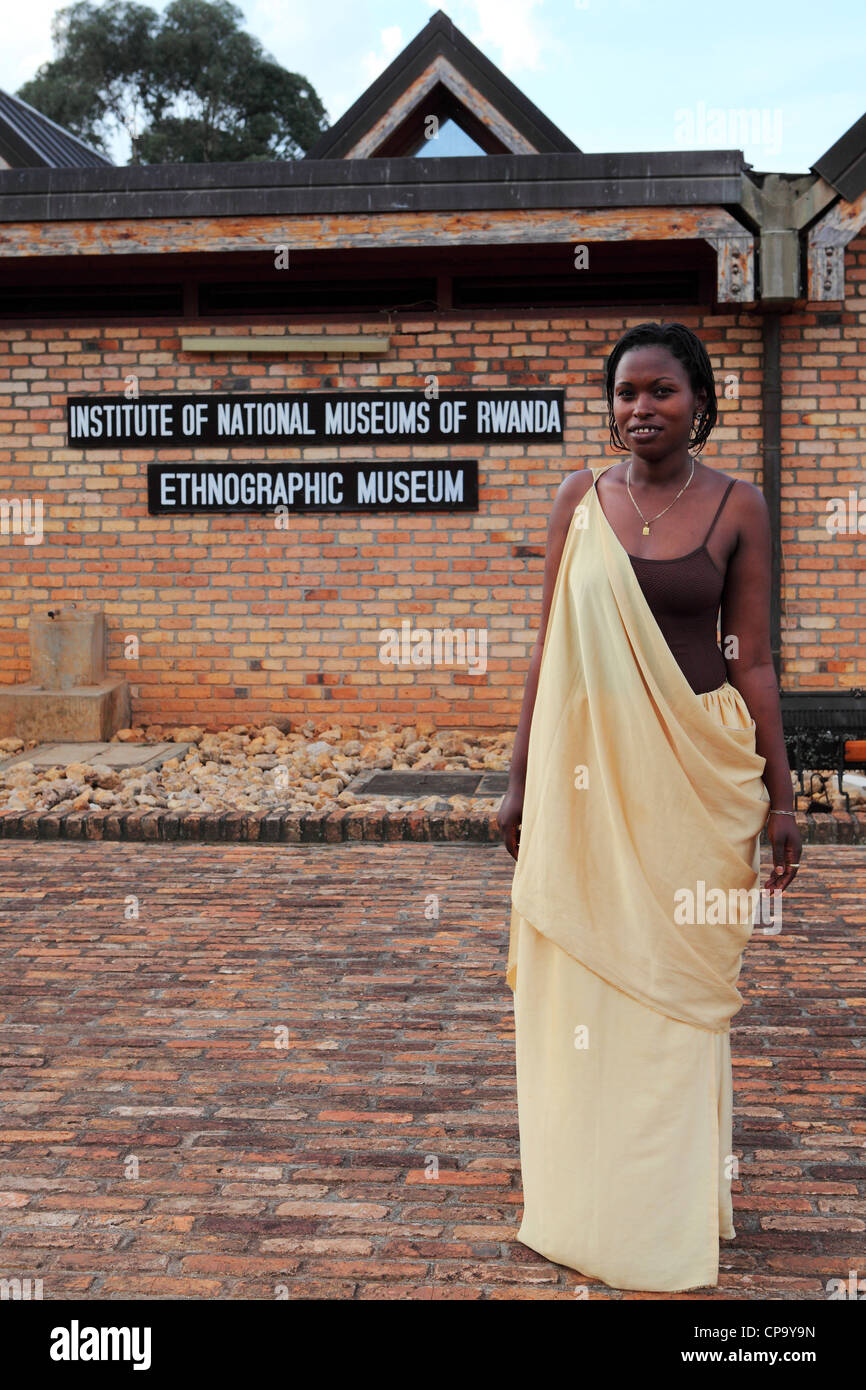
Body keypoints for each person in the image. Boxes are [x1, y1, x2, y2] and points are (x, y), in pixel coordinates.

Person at [498, 320, 802, 1292]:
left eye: (659, 391)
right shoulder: (577, 500)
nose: (639, 408)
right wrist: (517, 776)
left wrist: (781, 796)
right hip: (587, 781)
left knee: (671, 996)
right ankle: (583, 1201)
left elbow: (749, 659)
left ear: (697, 401)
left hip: (690, 782)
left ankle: (662, 1210)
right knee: (587, 985)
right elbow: (548, 648)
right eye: (624, 392)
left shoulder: (738, 507)